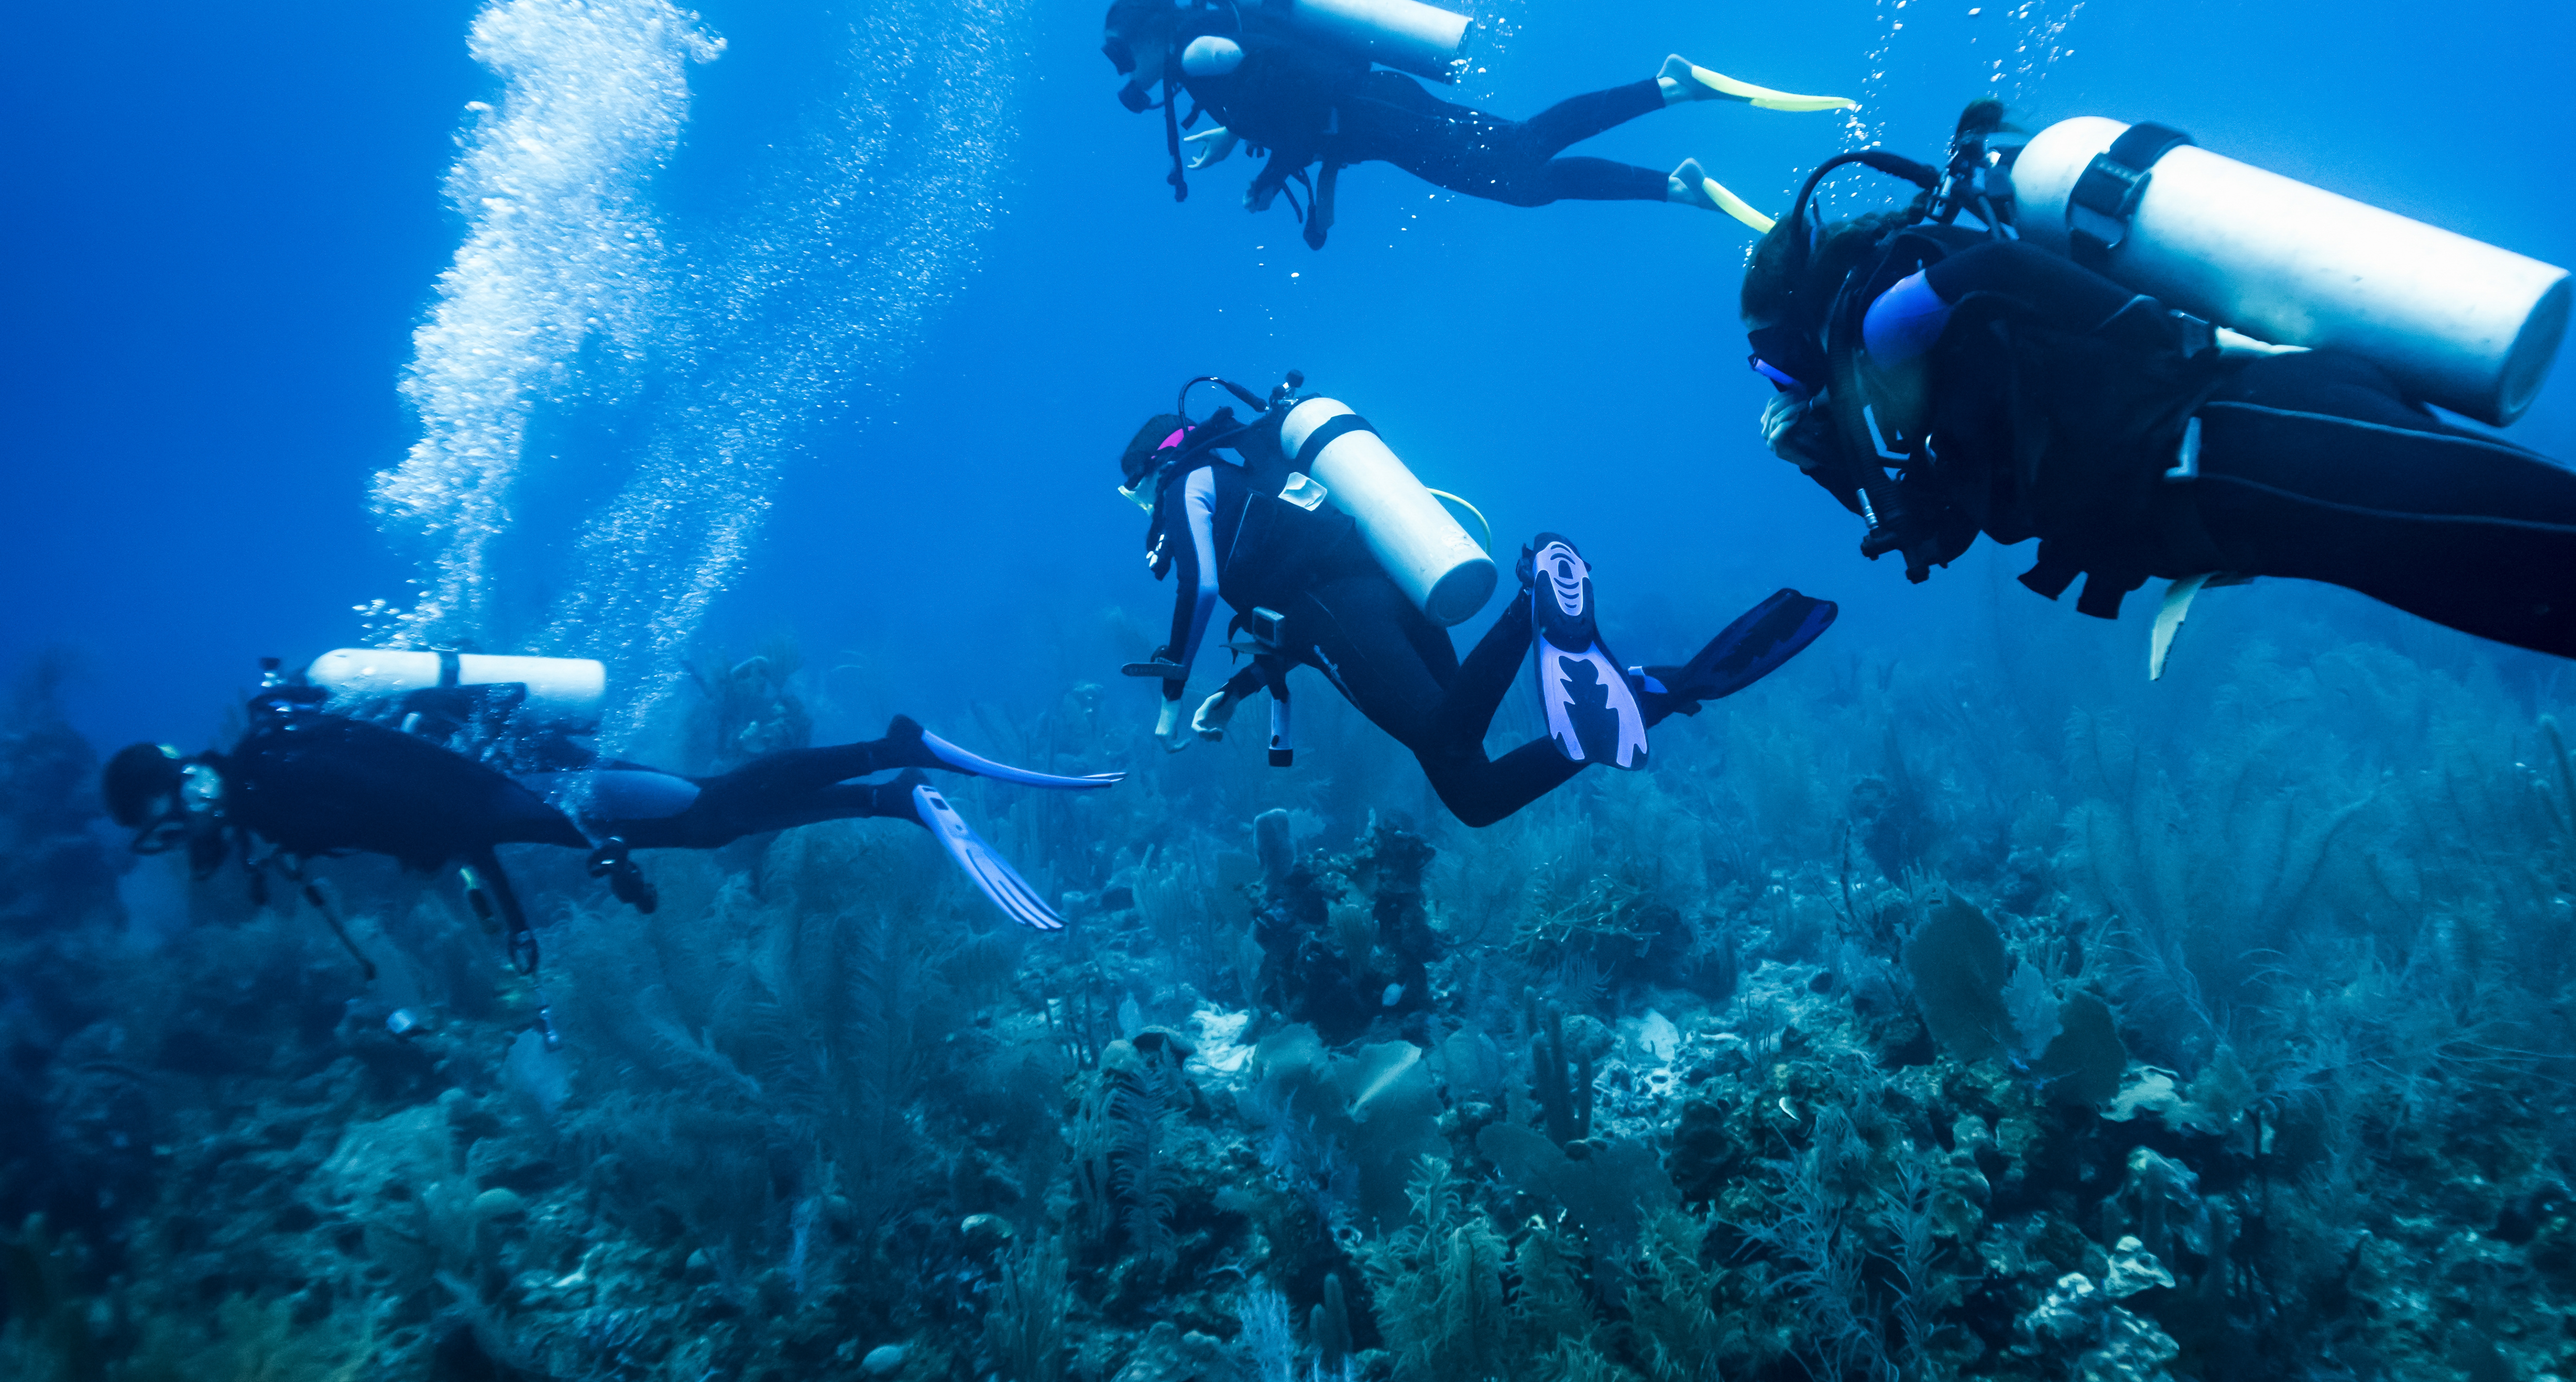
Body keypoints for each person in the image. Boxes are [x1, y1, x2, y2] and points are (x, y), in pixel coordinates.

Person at [1740, 102, 2576, 680]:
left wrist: (2145, 350)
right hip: (2263, 504)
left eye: (1773, 366)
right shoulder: (1910, 402)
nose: (1782, 397)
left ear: (1812, 324)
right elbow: (1993, 482)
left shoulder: (1888, 317)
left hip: (2254, 440)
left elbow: (1991, 268)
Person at [1116, 378, 1837, 826]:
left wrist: (1173, 695)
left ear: (1155, 468)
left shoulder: (1189, 485)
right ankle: (1654, 691)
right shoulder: (1249, 480)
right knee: (1474, 794)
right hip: (1389, 595)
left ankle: (1533, 598)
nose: (1144, 504)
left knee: (1446, 738)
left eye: (1138, 490)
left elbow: (1204, 586)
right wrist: (1236, 693)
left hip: (1339, 611)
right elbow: (1282, 625)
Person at [101, 674, 1116, 984]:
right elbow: (436, 828)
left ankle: (897, 752)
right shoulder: (273, 787)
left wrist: (582, 838)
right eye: (167, 833)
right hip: (528, 803)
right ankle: (895, 790)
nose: (187, 832)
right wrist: (508, 912)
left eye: (171, 812)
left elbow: (439, 800)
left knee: (710, 807)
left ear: (180, 776)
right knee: (712, 824)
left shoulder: (280, 770)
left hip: (536, 788)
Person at [1101, 0, 1844, 248]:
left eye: (1119, 51)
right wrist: (1236, 141)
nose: (1123, 70)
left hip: (1382, 116)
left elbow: (1301, 93)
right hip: (1381, 115)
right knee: (1523, 175)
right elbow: (1274, 85)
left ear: (1148, 35)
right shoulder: (1204, 52)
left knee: (1522, 162)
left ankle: (1671, 94)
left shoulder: (1198, 55)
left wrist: (1271, 175)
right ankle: (1673, 166)